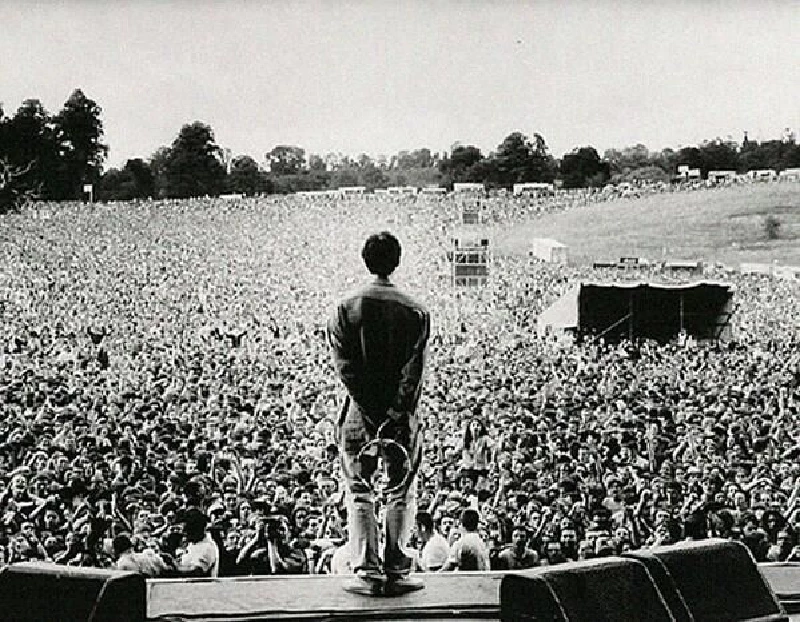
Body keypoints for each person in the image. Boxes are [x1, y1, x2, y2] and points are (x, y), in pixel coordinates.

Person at [328, 232, 430, 596]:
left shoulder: (345, 308)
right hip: (401, 417)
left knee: (359, 489)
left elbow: (346, 369)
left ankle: (367, 570)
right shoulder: (416, 310)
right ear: (397, 261)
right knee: (400, 489)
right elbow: (413, 372)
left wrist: (370, 411)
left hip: (358, 412)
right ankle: (396, 568)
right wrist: (395, 412)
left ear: (365, 259)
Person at [175, 508, 219, 577]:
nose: (184, 533)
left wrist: (173, 568)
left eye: (188, 530)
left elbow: (197, 572)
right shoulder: (191, 544)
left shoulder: (208, 546)